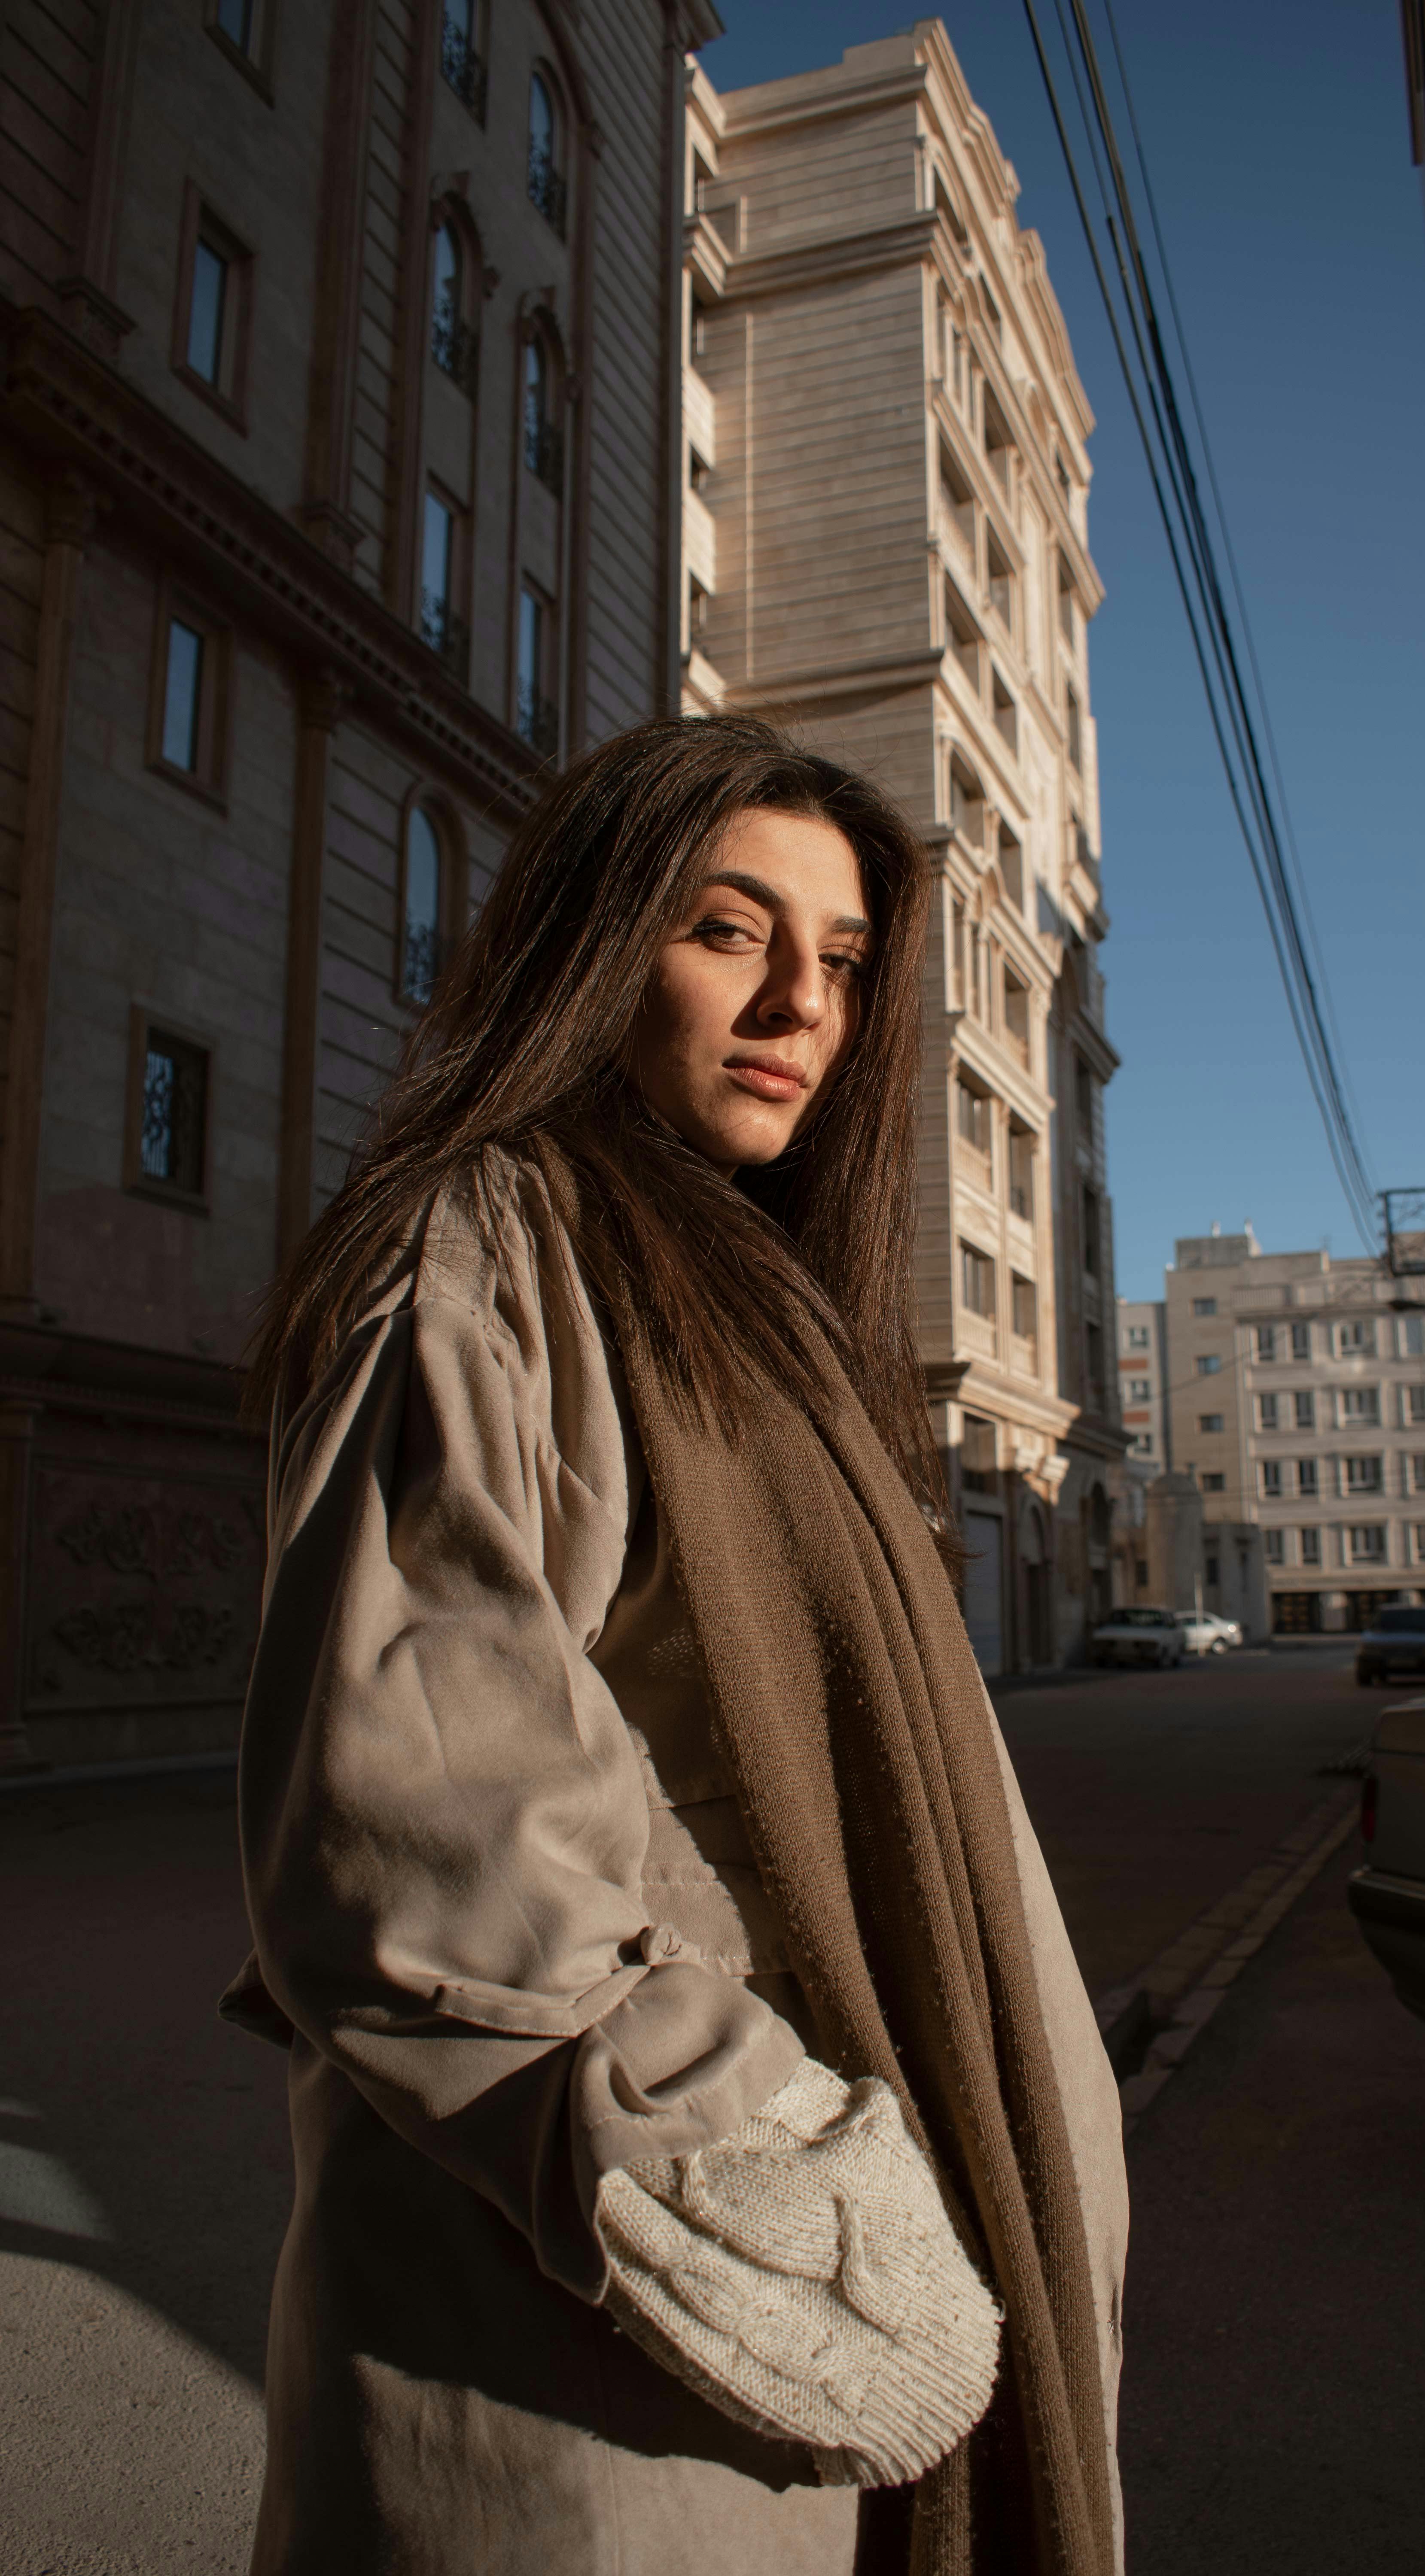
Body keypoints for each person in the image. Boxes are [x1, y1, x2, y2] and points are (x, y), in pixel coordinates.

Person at [225, 714, 1127, 2575]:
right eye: (729, 931)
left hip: (798, 2330)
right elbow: (432, 1838)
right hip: (623, 2362)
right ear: (589, 942)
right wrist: (775, 2187)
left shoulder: (754, 1294)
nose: (804, 1000)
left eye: (848, 959)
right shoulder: (498, 1242)